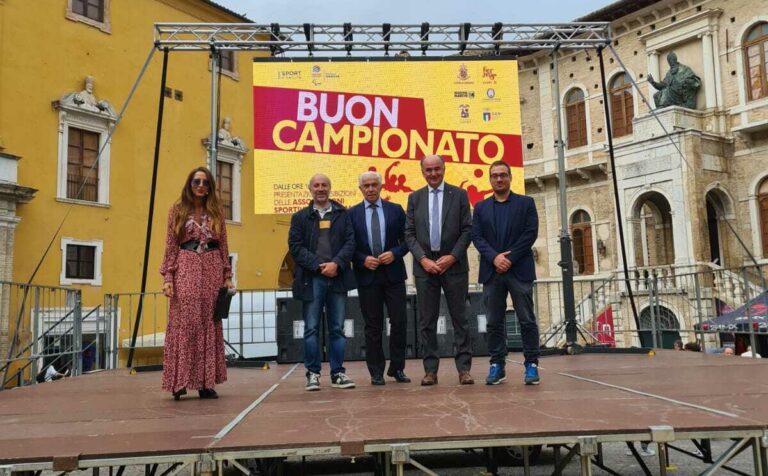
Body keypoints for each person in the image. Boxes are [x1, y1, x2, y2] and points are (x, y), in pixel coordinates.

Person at [160, 167, 233, 400]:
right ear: (189, 185)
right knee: (185, 321)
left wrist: (227, 275)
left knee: (208, 322)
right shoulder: (177, 210)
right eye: (196, 182)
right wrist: (168, 278)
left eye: (205, 182)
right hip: (186, 265)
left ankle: (205, 383)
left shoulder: (217, 212)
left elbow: (224, 245)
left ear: (210, 186)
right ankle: (178, 382)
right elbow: (171, 245)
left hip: (212, 267)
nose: (200, 186)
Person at [405, 155, 473, 386]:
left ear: (444, 169)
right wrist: (423, 259)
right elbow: (409, 234)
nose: (433, 174)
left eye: (437, 169)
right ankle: (430, 371)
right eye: (428, 170)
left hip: (454, 266)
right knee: (427, 321)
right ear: (422, 172)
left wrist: (452, 257)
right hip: (425, 267)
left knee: (460, 319)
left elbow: (467, 230)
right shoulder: (414, 198)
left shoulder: (460, 195)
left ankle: (464, 369)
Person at [471, 160, 541, 385]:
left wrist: (509, 258)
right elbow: (477, 237)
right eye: (494, 175)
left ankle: (531, 365)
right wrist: (495, 257)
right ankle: (497, 365)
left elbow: (530, 234)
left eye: (503, 175)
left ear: (510, 177)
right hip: (492, 272)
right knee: (494, 322)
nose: (499, 179)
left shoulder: (526, 203)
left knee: (526, 319)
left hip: (519, 269)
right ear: (490, 179)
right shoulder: (480, 208)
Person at [289, 173, 357, 391]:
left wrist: (336, 263)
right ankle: (313, 374)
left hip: (338, 278)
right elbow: (295, 247)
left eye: (324, 185)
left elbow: (350, 242)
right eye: (316, 185)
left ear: (330, 188)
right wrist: (319, 265)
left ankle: (338, 374)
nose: (320, 188)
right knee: (311, 329)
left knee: (337, 328)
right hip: (312, 279)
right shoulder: (300, 217)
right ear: (310, 189)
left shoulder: (342, 214)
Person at [350, 171, 411, 385]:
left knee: (399, 322)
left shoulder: (395, 210)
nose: (370, 189)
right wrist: (362, 259)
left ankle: (397, 368)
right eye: (366, 185)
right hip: (367, 276)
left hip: (393, 275)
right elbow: (349, 246)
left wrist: (395, 253)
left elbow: (407, 240)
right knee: (373, 325)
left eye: (374, 184)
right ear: (360, 189)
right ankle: (376, 371)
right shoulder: (352, 214)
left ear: (381, 186)